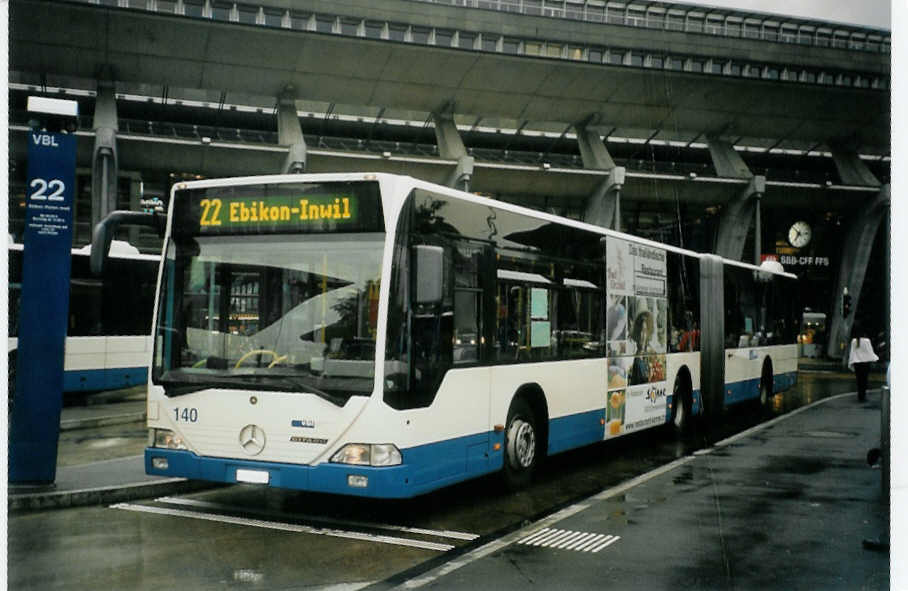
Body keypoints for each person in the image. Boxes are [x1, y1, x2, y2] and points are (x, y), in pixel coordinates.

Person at [848, 326, 879, 401]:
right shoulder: (867, 341)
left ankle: (860, 395)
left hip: (857, 364)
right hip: (866, 364)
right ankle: (863, 395)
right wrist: (875, 359)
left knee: (859, 380)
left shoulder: (854, 341)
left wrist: (851, 363)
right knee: (864, 380)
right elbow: (870, 352)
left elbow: (852, 353)